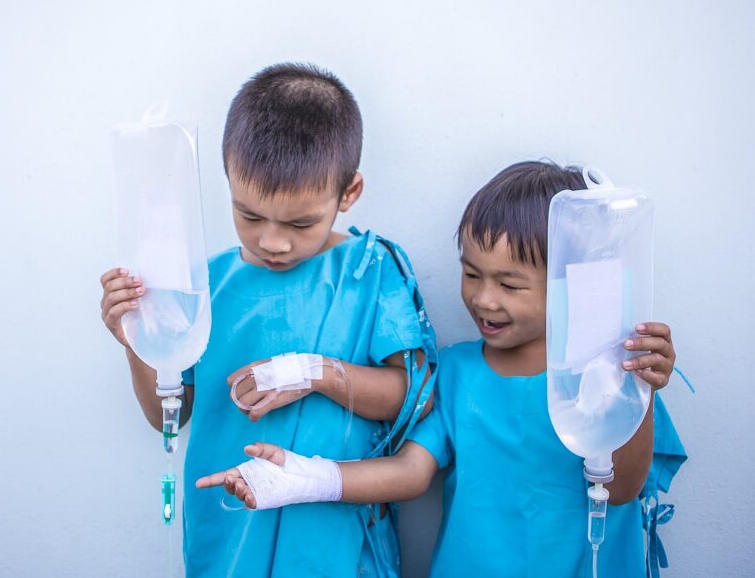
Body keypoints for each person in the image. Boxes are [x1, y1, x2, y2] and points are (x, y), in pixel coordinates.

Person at [198, 161, 687, 577]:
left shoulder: (606, 374)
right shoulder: (455, 373)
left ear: (569, 284)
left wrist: (635, 389)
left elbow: (619, 489)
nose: (482, 298)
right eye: (471, 273)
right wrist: (305, 477)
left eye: (510, 285)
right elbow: (411, 473)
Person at [100, 62, 436, 577]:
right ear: (229, 181)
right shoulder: (202, 284)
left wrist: (312, 373)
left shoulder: (372, 272)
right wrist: (137, 340)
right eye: (250, 216)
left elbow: (413, 395)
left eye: (301, 223)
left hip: (338, 545)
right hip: (232, 539)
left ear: (348, 193)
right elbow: (169, 413)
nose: (272, 242)